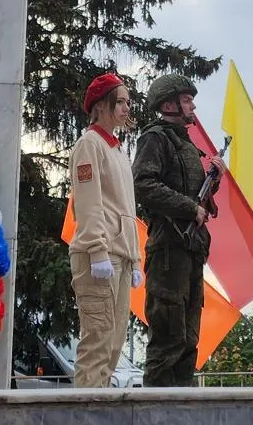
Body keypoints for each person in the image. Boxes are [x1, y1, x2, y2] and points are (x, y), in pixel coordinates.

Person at [133, 72, 212, 387]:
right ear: (169, 104)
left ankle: (183, 410)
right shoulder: (156, 138)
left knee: (189, 339)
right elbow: (143, 183)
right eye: (187, 99)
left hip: (191, 250)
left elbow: (197, 198)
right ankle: (156, 417)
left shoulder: (187, 145)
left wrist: (212, 181)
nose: (192, 105)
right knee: (168, 337)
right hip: (168, 251)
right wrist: (190, 208)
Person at [67, 72, 142, 388]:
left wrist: (135, 258)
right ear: (100, 106)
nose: (126, 108)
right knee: (98, 340)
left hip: (121, 255)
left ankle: (96, 414)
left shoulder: (117, 150)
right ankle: (84, 421)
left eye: (127, 102)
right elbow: (89, 203)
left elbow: (127, 209)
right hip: (100, 255)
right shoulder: (89, 145)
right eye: (119, 102)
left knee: (113, 344)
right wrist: (97, 250)